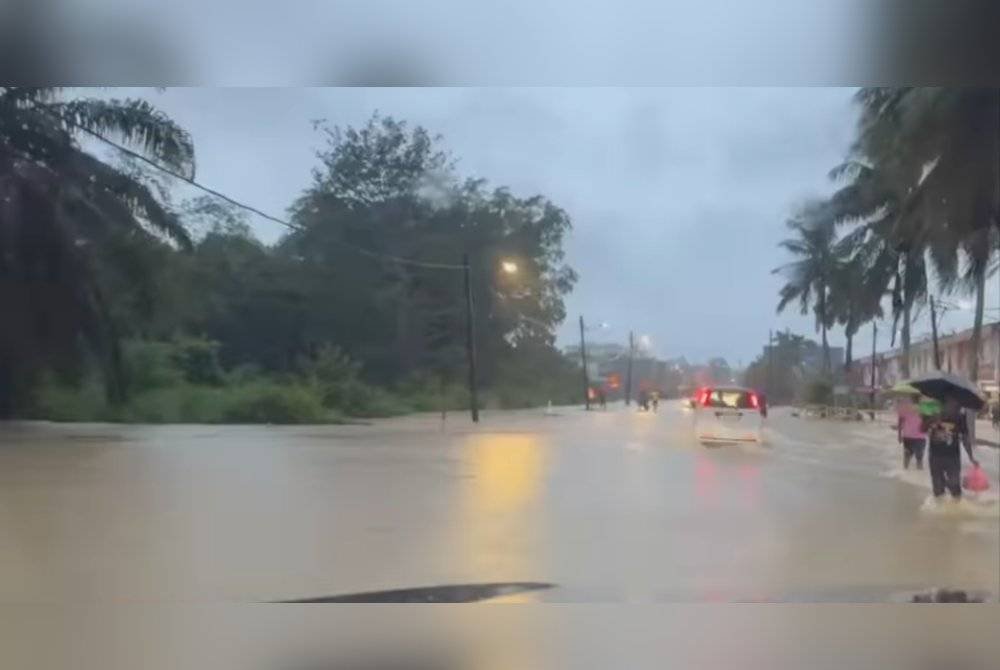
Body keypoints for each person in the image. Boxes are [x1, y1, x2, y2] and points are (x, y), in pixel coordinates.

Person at [922, 395, 979, 502]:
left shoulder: (960, 416)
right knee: (938, 489)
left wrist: (971, 457)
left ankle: (956, 510)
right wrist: (932, 422)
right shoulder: (932, 413)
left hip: (952, 456)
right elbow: (922, 428)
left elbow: (965, 437)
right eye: (951, 403)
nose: (955, 406)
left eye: (956, 404)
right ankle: (940, 512)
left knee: (955, 487)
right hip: (935, 456)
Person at [896, 393, 926, 470]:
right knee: (919, 459)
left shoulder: (905, 408)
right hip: (920, 438)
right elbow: (928, 423)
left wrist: (899, 435)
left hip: (907, 437)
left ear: (912, 398)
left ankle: (904, 474)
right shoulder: (924, 409)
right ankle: (919, 477)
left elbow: (900, 422)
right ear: (920, 398)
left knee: (907, 458)